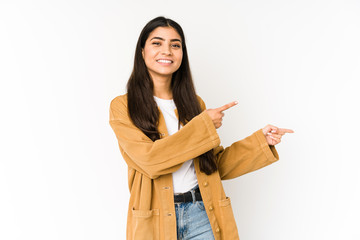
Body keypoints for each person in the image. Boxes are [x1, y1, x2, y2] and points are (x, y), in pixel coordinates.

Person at [109, 16, 294, 240]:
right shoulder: (123, 106)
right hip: (155, 220)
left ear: (182, 54)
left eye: (175, 45)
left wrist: (260, 142)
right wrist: (204, 125)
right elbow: (151, 161)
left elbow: (213, 166)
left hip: (203, 215)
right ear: (142, 51)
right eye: (157, 43)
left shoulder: (195, 105)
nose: (166, 51)